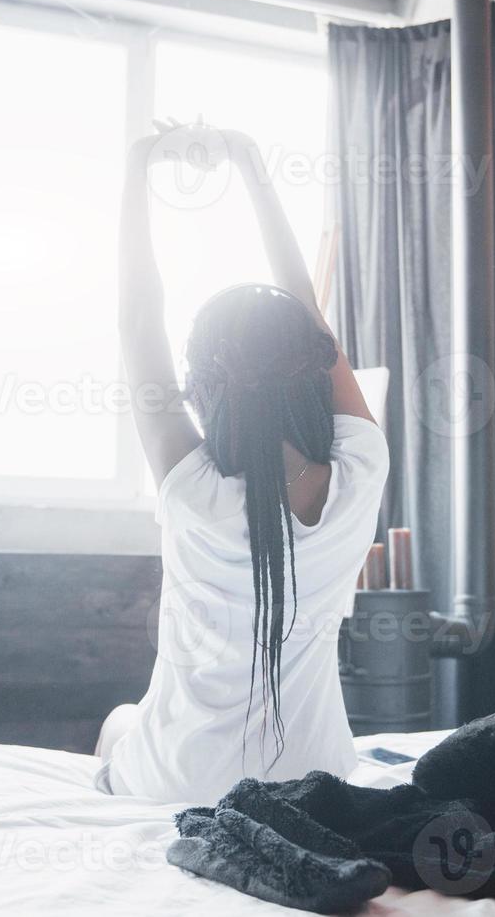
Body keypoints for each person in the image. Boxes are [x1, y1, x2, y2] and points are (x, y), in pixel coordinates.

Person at [93, 122, 389, 804]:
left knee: (118, 721)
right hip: (318, 779)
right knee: (126, 723)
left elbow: (138, 321)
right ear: (313, 370)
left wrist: (138, 165)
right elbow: (311, 319)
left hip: (183, 783)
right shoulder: (360, 469)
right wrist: (254, 169)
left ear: (202, 388)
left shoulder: (191, 489)